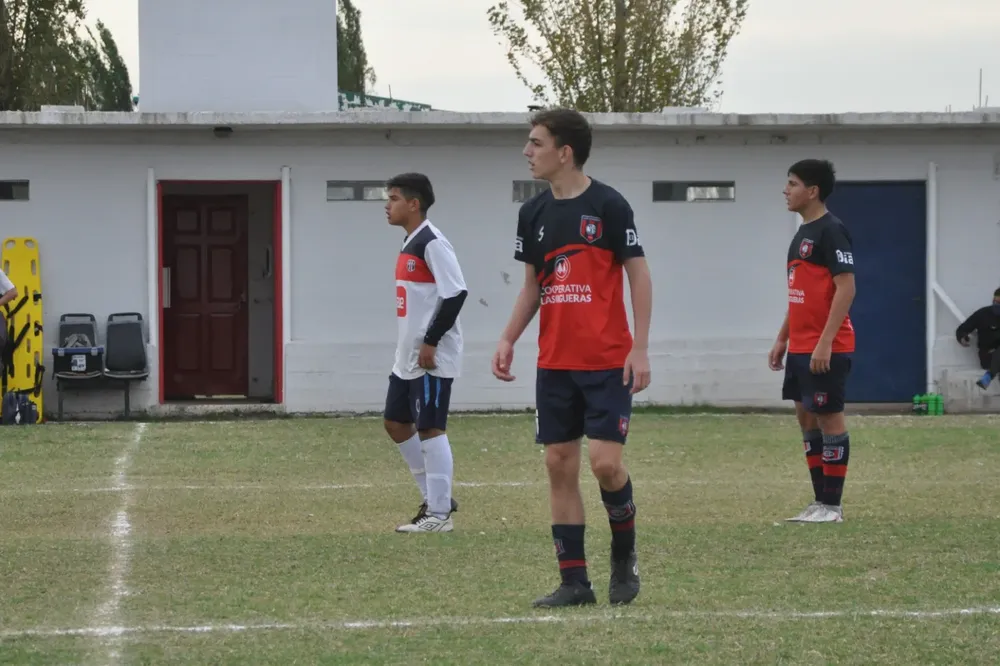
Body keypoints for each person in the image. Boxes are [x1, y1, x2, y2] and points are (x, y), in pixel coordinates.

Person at [491, 107, 653, 608]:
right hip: (555, 364)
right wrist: (508, 337)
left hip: (607, 362)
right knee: (559, 463)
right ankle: (574, 582)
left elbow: (639, 276)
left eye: (536, 143)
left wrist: (639, 347)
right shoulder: (532, 214)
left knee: (606, 466)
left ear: (565, 152)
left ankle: (624, 558)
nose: (527, 151)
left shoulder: (609, 205)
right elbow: (532, 289)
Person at [769, 159, 856, 524]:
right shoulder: (800, 234)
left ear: (813, 190)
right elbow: (799, 295)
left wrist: (825, 342)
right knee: (805, 417)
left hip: (826, 348)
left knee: (828, 417)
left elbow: (846, 288)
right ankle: (818, 502)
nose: (786, 190)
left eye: (792, 183)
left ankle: (832, 507)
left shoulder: (832, 230)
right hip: (801, 347)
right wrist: (782, 338)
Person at [381, 173, 468, 533]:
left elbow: (456, 293)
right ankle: (435, 499)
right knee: (396, 423)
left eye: (394, 198)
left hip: (430, 356)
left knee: (431, 428)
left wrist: (431, 341)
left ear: (414, 204)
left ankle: (439, 516)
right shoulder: (409, 243)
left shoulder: (432, 242)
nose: (387, 205)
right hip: (407, 358)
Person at [955, 288, 1000, 390]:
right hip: (989, 356)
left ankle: (989, 376)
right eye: (996, 301)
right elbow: (963, 329)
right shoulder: (983, 314)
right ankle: (989, 375)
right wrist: (963, 337)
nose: (997, 304)